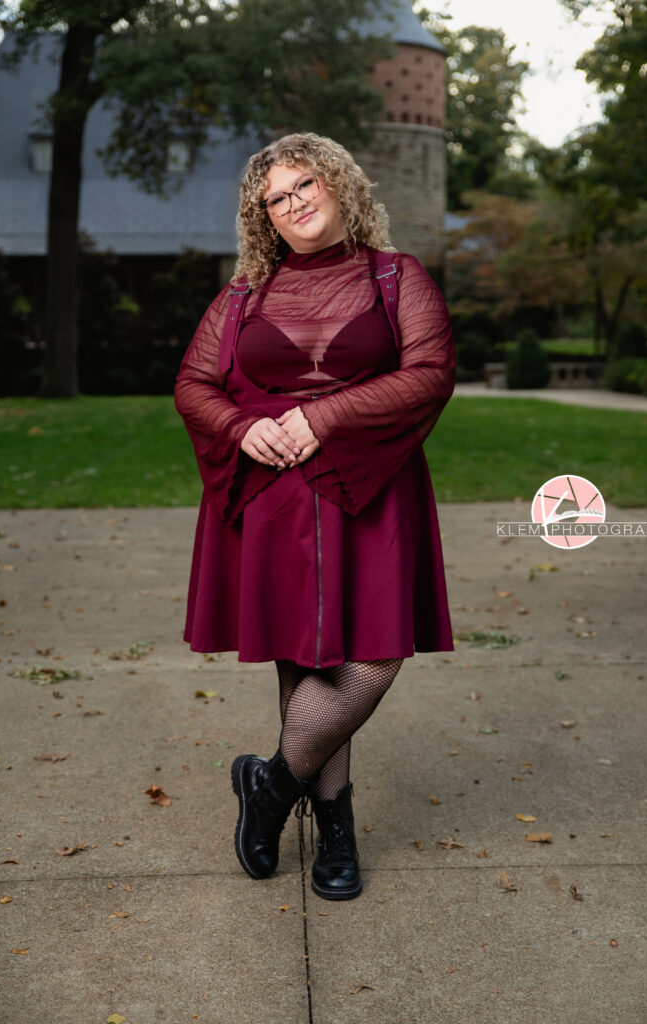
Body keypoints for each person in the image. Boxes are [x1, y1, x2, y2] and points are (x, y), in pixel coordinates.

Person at [174, 132, 455, 901]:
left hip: (371, 484)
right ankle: (334, 827)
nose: (293, 203)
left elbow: (430, 374)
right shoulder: (240, 297)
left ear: (339, 187)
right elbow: (194, 385)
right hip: (272, 490)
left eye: (305, 186)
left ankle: (268, 785)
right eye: (276, 197)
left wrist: (325, 417)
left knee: (373, 656)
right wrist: (241, 427)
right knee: (303, 658)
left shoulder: (398, 278)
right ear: (262, 215)